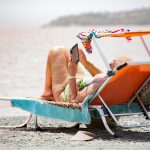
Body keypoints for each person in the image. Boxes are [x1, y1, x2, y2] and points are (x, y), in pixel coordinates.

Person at [41, 46, 130, 103]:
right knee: (65, 50)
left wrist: (72, 73)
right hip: (79, 82)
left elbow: (73, 101)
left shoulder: (99, 84)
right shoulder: (115, 81)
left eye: (116, 60)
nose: (113, 60)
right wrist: (85, 63)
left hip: (65, 93)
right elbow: (100, 75)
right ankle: (48, 92)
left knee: (55, 51)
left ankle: (48, 93)